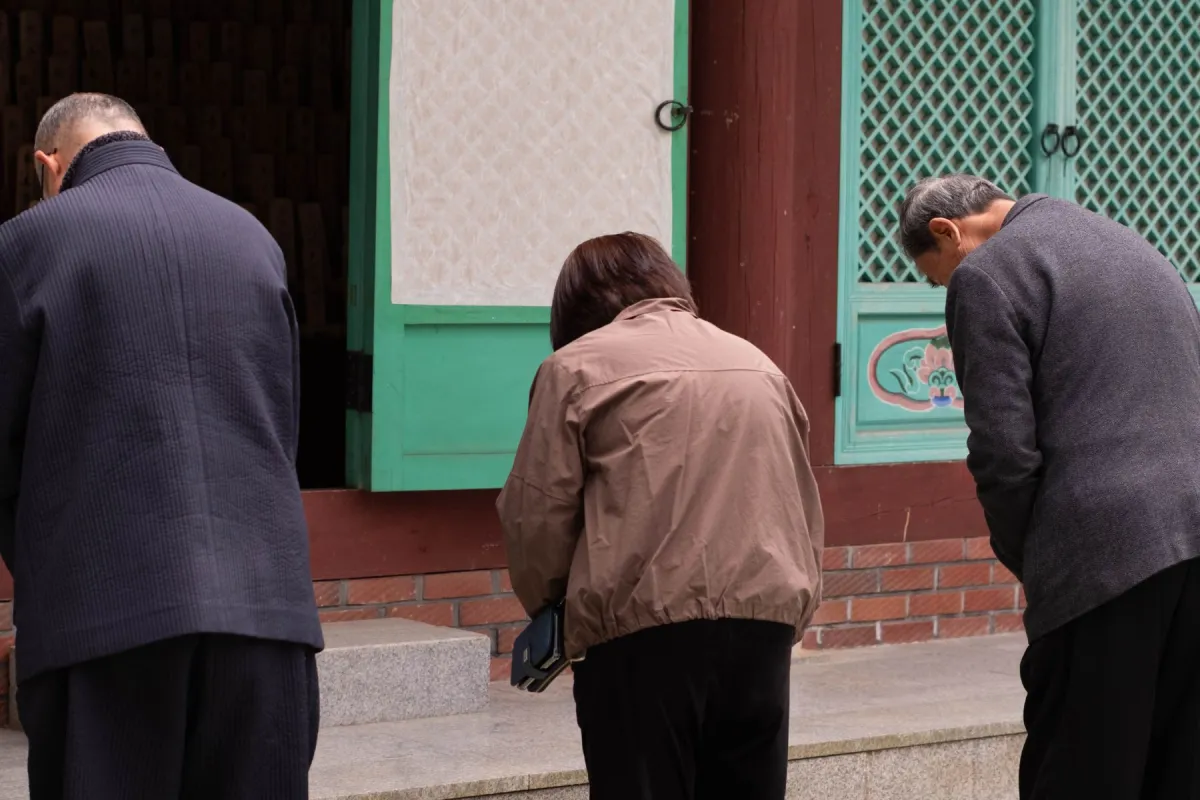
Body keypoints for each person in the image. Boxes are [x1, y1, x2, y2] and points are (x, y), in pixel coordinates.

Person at [0, 93, 323, 798]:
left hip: (102, 618)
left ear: (46, 164)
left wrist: (42, 559)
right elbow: (279, 425)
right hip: (267, 612)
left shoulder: (26, 243)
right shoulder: (251, 237)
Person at [899, 174, 1200, 800]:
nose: (947, 289)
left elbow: (1003, 451)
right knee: (1176, 760)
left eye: (938, 276)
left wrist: (1034, 557)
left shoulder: (988, 273)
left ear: (947, 232)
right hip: (1191, 529)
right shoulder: (1130, 244)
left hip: (1102, 551)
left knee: (1081, 762)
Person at [497, 232, 824, 800]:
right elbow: (800, 502)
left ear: (576, 304)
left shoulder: (573, 368)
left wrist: (556, 615)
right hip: (763, 629)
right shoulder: (759, 363)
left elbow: (537, 517)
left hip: (638, 633)